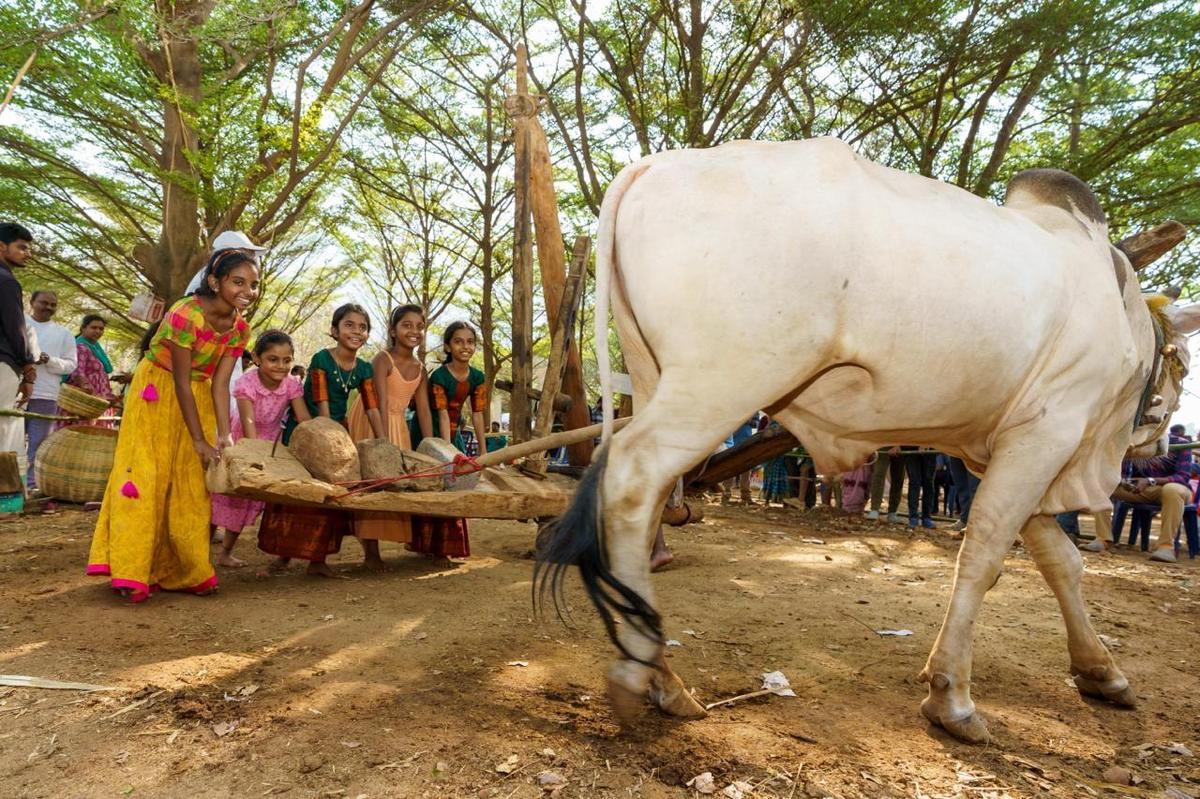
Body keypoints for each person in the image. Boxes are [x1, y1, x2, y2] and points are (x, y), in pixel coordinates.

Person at [86, 250, 256, 602]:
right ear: (215, 281)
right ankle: (131, 570)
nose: (247, 290)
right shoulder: (185, 313)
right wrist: (198, 439)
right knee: (144, 476)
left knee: (191, 482)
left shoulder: (240, 328)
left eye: (253, 285)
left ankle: (186, 569)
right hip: (157, 390)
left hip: (199, 394)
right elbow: (179, 381)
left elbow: (220, 383)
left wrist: (223, 436)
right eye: (238, 282)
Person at [263, 304, 386, 576]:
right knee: (298, 494)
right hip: (306, 433)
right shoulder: (322, 359)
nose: (356, 331)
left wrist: (383, 441)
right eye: (349, 325)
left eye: (362, 327)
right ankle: (284, 556)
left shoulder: (364, 368)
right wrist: (331, 441)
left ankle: (329, 559)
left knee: (340, 494)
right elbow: (322, 403)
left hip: (336, 435)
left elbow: (372, 407)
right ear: (334, 331)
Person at [210, 331, 309, 568]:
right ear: (256, 357)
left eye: (287, 360)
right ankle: (200, 553)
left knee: (246, 504)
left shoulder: (292, 385)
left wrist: (319, 434)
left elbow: (303, 417)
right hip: (242, 441)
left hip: (271, 443)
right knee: (221, 496)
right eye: (273, 359)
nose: (281, 366)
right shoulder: (247, 383)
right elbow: (248, 421)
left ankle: (225, 553)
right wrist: (254, 459)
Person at [347, 304, 434, 569]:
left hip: (399, 426)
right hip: (371, 420)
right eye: (407, 325)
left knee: (394, 486)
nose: (414, 331)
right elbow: (380, 402)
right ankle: (370, 551)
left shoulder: (421, 368)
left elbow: (424, 412)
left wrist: (431, 447)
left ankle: (380, 543)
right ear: (393, 330)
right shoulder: (383, 359)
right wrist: (382, 443)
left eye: (419, 326)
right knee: (371, 482)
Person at [406, 321, 488, 559]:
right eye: (458, 341)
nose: (465, 346)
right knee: (434, 483)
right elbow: (441, 414)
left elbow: (478, 413)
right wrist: (446, 453)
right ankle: (423, 545)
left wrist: (483, 453)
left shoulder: (478, 377)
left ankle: (446, 547)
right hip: (429, 433)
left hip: (453, 433)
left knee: (457, 485)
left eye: (470, 342)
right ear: (448, 346)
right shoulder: (440, 376)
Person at [1086, 429, 1194, 563]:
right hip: (1144, 489)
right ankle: (1103, 539)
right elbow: (1124, 472)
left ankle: (1165, 547)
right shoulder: (1136, 442)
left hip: (1175, 490)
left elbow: (1182, 477)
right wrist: (1123, 481)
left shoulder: (1181, 444)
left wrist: (1150, 480)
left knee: (1171, 489)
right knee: (1104, 485)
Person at [22, 291, 76, 488]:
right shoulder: (19, 324)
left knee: (38, 444)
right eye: (43, 303)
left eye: (53, 304)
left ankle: (30, 486)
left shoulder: (64, 334)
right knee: (10, 442)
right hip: (15, 392)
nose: (48, 307)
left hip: (45, 394)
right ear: (32, 302)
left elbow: (71, 365)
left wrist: (49, 360)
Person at [0, 223, 37, 488]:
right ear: (2, 247)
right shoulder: (6, 281)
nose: (27, 253)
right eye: (21, 247)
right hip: (3, 364)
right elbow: (15, 328)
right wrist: (27, 366)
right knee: (3, 429)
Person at [66, 314, 129, 428]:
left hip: (98, 401)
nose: (98, 331)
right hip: (85, 403)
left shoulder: (95, 347)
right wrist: (91, 394)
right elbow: (78, 373)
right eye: (93, 328)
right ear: (83, 328)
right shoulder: (81, 347)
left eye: (101, 329)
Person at [866, 447, 905, 522]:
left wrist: (898, 445)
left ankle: (892, 511)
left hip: (901, 444)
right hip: (883, 444)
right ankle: (874, 509)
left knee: (898, 478)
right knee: (878, 475)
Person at [904, 447, 937, 529]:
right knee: (914, 483)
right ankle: (913, 517)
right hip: (911, 447)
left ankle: (927, 517)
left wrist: (927, 444)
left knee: (928, 484)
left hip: (930, 449)